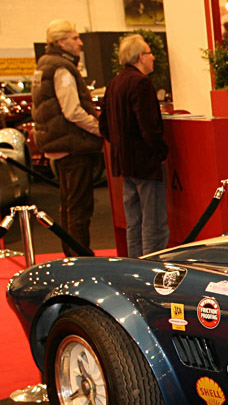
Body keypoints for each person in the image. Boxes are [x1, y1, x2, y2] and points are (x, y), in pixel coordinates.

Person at [30, 19, 103, 257]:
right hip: (73, 146)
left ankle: (70, 254)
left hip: (58, 145)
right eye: (75, 38)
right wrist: (100, 128)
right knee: (78, 208)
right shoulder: (62, 69)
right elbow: (72, 110)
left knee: (68, 206)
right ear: (61, 41)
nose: (80, 43)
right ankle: (79, 256)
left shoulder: (44, 64)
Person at [99, 34, 169, 257]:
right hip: (145, 163)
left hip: (124, 163)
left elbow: (104, 126)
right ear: (140, 57)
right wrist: (161, 152)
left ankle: (135, 264)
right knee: (153, 223)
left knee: (134, 223)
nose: (153, 57)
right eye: (149, 53)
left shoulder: (114, 83)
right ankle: (151, 266)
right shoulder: (141, 83)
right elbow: (148, 126)